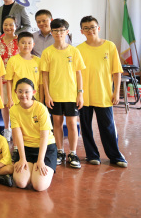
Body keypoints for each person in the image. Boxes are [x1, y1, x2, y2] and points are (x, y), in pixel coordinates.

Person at [77, 16, 127, 167]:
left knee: (108, 127)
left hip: (104, 95)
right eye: (86, 28)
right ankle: (92, 155)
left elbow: (116, 72)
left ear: (98, 28)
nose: (90, 30)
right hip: (84, 96)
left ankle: (115, 156)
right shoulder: (78, 49)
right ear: (81, 31)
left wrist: (116, 92)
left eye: (92, 27)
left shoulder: (110, 46)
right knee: (86, 127)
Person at [40, 18, 85, 169]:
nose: (59, 33)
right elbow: (44, 75)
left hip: (71, 95)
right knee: (57, 124)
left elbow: (78, 73)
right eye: (55, 31)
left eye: (62, 30)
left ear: (67, 32)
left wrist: (80, 93)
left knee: (72, 124)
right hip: (55, 95)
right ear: (51, 33)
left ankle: (73, 153)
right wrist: (47, 95)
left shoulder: (74, 51)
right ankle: (60, 151)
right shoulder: (47, 52)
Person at [11, 78, 57, 191]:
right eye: (20, 91)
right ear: (15, 92)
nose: (23, 95)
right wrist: (22, 158)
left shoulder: (41, 108)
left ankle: (38, 170)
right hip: (26, 148)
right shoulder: (13, 110)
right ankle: (31, 170)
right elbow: (18, 136)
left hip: (45, 148)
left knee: (39, 186)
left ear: (34, 92)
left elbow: (44, 137)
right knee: (21, 182)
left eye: (27, 92)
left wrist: (40, 160)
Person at [0, 16, 19, 142]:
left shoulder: (20, 41)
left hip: (17, 80)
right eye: (5, 24)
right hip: (2, 79)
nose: (8, 27)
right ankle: (7, 129)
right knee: (5, 105)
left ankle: (17, 129)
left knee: (17, 105)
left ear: (16, 26)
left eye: (11, 25)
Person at [5, 32, 41, 107]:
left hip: (35, 99)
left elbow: (41, 83)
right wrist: (10, 99)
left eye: (29, 43)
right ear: (17, 44)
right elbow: (9, 81)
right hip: (17, 99)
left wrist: (41, 99)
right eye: (23, 43)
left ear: (33, 44)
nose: (26, 45)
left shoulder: (38, 61)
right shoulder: (13, 60)